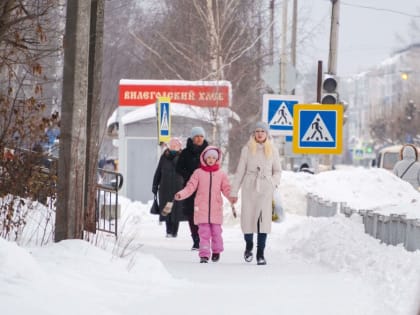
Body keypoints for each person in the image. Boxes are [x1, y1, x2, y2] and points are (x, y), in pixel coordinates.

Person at [229, 122, 281, 265]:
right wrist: (234, 192)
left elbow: (277, 170)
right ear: (253, 134)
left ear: (267, 134)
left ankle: (260, 254)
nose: (259, 134)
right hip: (249, 186)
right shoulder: (246, 149)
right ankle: (249, 245)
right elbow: (240, 171)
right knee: (248, 219)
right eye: (257, 131)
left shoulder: (273, 150)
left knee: (263, 221)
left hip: (266, 187)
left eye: (262, 131)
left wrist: (273, 182)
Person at [175, 146, 231, 263]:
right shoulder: (198, 173)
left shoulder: (221, 174)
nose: (210, 160)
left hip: (215, 209)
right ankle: (204, 255)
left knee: (216, 232)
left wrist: (232, 197)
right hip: (201, 209)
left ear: (217, 159)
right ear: (204, 159)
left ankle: (216, 251)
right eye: (208, 157)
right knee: (204, 233)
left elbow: (226, 188)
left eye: (213, 158)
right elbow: (190, 187)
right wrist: (181, 194)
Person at [176, 126, 209, 250]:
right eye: (196, 136)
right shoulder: (185, 152)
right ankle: (195, 239)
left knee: (204, 213)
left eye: (201, 136)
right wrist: (190, 176)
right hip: (190, 187)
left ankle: (203, 238)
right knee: (191, 213)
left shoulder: (208, 151)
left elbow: (215, 166)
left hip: (205, 187)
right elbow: (178, 168)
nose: (199, 138)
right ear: (192, 138)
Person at [152, 137, 187, 237]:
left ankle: (175, 231)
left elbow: (187, 173)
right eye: (172, 145)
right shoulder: (164, 157)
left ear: (180, 147)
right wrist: (155, 185)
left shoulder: (183, 157)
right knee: (167, 209)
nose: (174, 147)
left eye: (176, 146)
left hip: (179, 188)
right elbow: (158, 172)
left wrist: (188, 187)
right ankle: (168, 231)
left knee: (177, 209)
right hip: (165, 188)